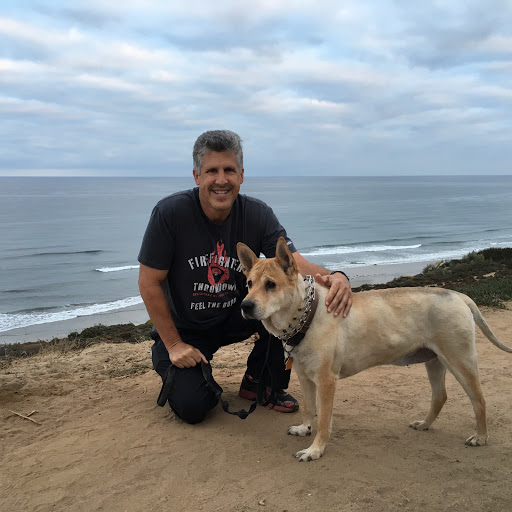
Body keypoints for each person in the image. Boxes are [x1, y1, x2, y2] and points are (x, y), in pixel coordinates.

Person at [138, 130, 352, 424]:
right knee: (193, 407)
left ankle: (260, 382)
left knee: (284, 306)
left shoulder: (258, 214)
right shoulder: (170, 213)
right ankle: (187, 372)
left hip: (236, 314)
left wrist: (336, 275)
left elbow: (295, 264)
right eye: (211, 171)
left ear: (241, 175)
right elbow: (149, 282)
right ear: (197, 176)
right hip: (185, 328)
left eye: (229, 170)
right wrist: (174, 345)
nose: (221, 180)